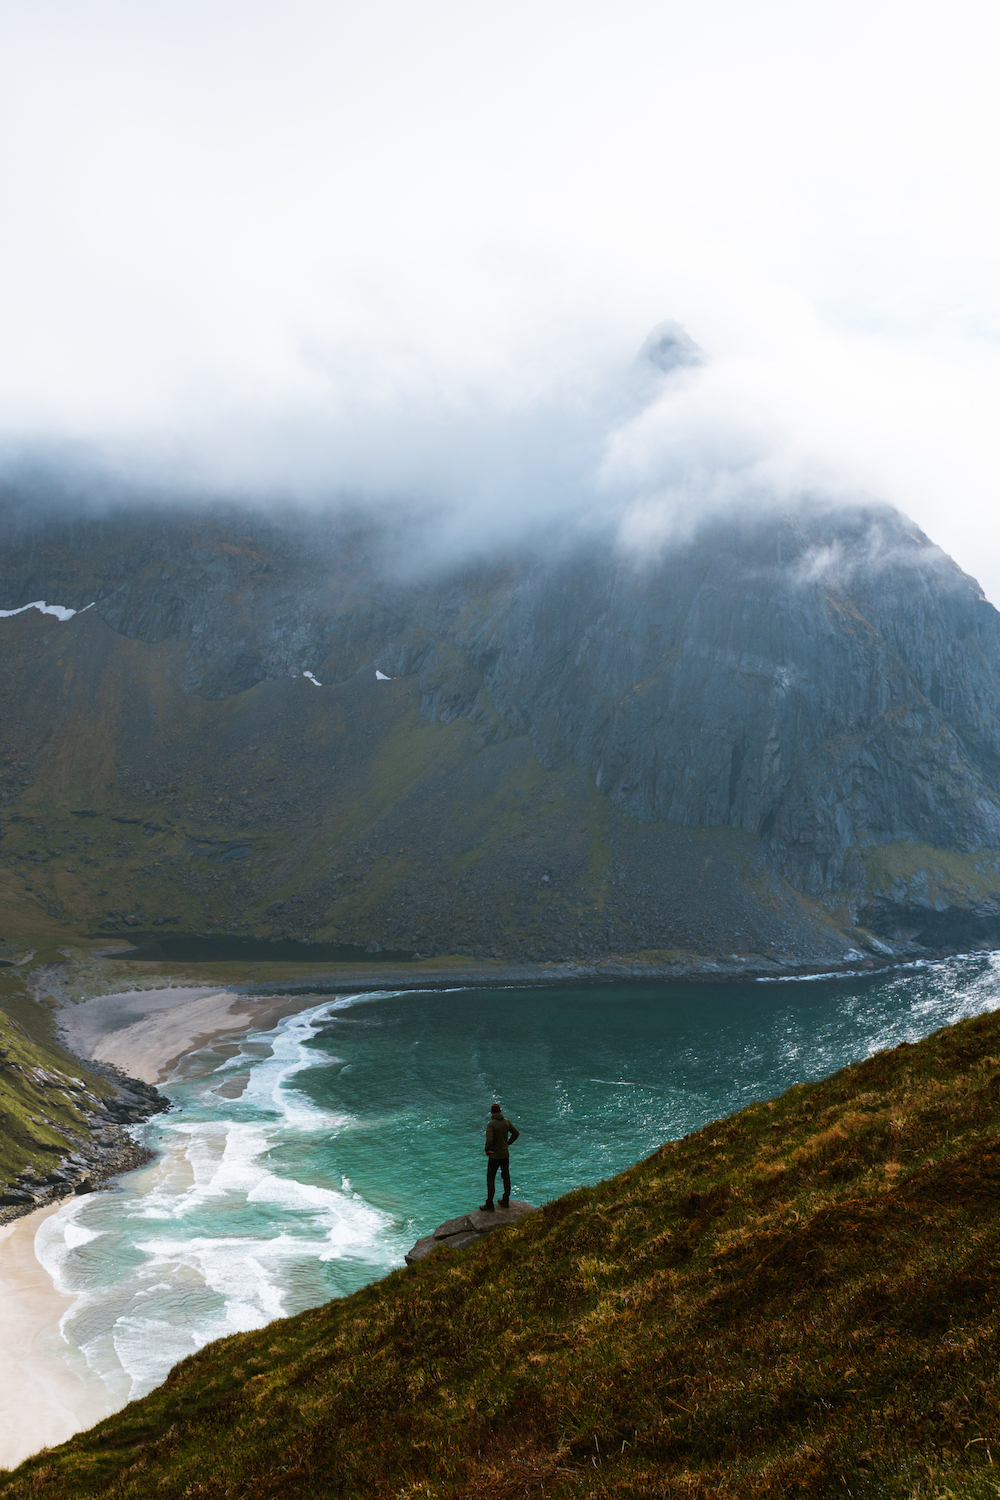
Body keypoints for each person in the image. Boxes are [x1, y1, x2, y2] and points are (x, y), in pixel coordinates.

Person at [482, 1102, 519, 1211]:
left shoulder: (491, 1124)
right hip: (504, 1155)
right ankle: (506, 1200)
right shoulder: (506, 1122)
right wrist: (508, 1143)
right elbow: (516, 1133)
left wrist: (487, 1150)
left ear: (492, 1112)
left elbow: (489, 1140)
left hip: (494, 1156)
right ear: (501, 1111)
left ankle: (489, 1204)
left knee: (491, 1179)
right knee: (506, 1177)